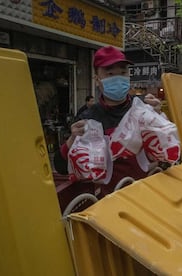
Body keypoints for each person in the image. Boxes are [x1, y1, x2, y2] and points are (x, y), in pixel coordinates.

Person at [57, 45, 166, 196]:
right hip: (109, 202)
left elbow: (168, 154)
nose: (118, 78)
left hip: (147, 195)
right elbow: (61, 167)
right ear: (97, 80)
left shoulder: (143, 109)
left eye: (123, 72)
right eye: (110, 73)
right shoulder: (88, 118)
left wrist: (160, 120)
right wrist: (71, 141)